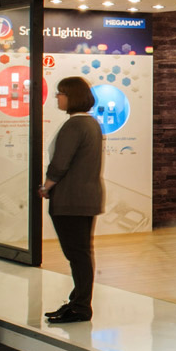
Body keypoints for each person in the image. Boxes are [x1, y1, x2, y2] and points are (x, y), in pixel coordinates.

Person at [40, 76, 104, 325]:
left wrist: (46, 186)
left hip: (71, 199)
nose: (57, 97)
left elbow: (60, 163)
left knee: (77, 254)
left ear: (72, 96)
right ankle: (77, 301)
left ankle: (80, 306)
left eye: (61, 93)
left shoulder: (75, 125)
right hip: (84, 197)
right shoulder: (90, 124)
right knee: (80, 253)